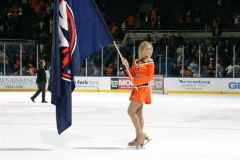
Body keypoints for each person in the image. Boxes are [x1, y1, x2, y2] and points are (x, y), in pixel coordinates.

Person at [121, 41, 155, 148]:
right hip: (136, 89)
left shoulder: (150, 62)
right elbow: (131, 74)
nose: (149, 51)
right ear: (141, 50)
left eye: (150, 49)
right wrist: (126, 65)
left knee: (130, 111)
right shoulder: (135, 61)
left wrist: (136, 81)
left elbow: (150, 77)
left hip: (143, 88)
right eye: (146, 49)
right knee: (138, 114)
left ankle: (140, 135)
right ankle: (138, 138)